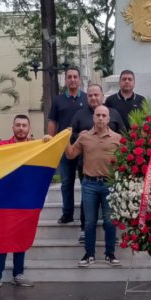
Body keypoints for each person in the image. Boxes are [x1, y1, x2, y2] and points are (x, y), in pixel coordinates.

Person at [0, 115, 51, 292]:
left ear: (29, 128)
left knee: (21, 235)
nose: (21, 128)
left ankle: (18, 274)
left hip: (25, 200)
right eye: (18, 125)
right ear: (12, 128)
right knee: (2, 238)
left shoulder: (36, 146)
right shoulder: (2, 146)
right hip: (5, 199)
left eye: (24, 125)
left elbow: (50, 153)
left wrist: (49, 141)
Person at [65, 105, 121, 267]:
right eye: (98, 115)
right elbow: (70, 154)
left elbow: (126, 160)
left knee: (110, 221)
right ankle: (89, 254)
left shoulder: (117, 138)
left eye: (104, 115)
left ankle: (110, 254)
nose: (101, 118)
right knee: (89, 222)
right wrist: (64, 139)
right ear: (93, 118)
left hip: (110, 184)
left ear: (109, 119)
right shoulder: (84, 137)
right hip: (89, 184)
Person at [70, 83, 124, 243]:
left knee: (109, 211)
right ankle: (84, 231)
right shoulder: (79, 115)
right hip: (86, 167)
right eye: (90, 95)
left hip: (109, 173)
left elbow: (123, 134)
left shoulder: (114, 113)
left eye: (96, 95)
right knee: (87, 204)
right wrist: (78, 136)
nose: (93, 97)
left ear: (102, 96)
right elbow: (71, 135)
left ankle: (111, 235)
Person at [47, 67, 87, 228]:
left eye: (75, 77)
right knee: (66, 181)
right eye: (69, 77)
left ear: (79, 79)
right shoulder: (58, 101)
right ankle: (67, 213)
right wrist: (51, 142)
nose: (72, 79)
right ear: (65, 80)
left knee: (85, 182)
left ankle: (86, 214)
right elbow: (52, 122)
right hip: (65, 147)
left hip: (83, 147)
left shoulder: (86, 98)